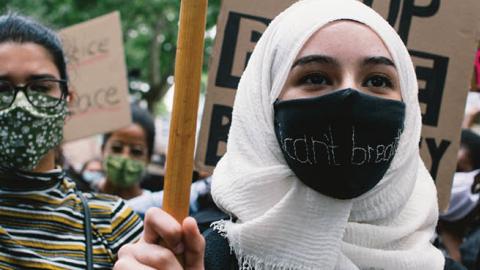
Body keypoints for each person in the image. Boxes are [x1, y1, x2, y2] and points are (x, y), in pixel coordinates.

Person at [114, 1, 451, 269]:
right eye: (316, 77)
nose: (349, 97)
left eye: (378, 81)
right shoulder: (198, 261)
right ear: (263, 106)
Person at [0, 13, 143, 269]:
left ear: (68, 102)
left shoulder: (112, 224)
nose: (21, 104)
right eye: (2, 89)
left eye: (40, 88)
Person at [98, 104, 206, 218]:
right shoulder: (82, 199)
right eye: (116, 148)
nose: (125, 157)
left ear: (148, 158)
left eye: (136, 151)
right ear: (102, 149)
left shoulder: (160, 210)